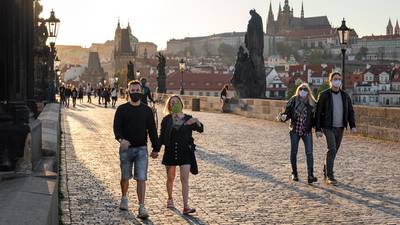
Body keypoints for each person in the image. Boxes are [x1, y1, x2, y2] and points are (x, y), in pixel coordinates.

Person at [113, 80, 159, 219]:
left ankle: (141, 206)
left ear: (141, 91)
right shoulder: (121, 109)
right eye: (132, 90)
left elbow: (152, 130)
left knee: (141, 178)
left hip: (141, 149)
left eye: (137, 90)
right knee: (125, 177)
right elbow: (117, 128)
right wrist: (121, 140)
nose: (135, 92)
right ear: (128, 92)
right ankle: (124, 197)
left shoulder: (147, 110)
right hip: (126, 149)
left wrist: (156, 148)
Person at [151, 95, 204, 215]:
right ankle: (170, 198)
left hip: (185, 152)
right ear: (169, 106)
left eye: (176, 102)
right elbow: (161, 136)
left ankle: (186, 206)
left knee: (184, 179)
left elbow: (200, 129)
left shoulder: (188, 118)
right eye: (172, 103)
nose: (174, 104)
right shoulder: (167, 120)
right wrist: (156, 149)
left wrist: (196, 121)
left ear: (181, 103)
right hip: (170, 152)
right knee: (170, 178)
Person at [315, 72, 356, 185]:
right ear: (331, 81)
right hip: (328, 127)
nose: (337, 81)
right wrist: (318, 129)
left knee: (334, 151)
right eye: (335, 79)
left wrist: (352, 125)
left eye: (339, 79)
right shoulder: (324, 95)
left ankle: (326, 168)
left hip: (340, 127)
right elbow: (318, 113)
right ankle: (330, 176)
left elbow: (350, 111)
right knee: (332, 149)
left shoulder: (345, 95)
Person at [279, 83, 318, 184]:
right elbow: (286, 112)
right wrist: (283, 117)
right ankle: (294, 173)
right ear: (298, 90)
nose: (303, 91)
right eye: (301, 89)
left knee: (309, 153)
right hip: (295, 130)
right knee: (294, 152)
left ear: (308, 91)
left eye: (305, 89)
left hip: (307, 131)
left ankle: (310, 175)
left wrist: (318, 129)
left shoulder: (312, 103)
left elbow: (315, 119)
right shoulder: (293, 100)